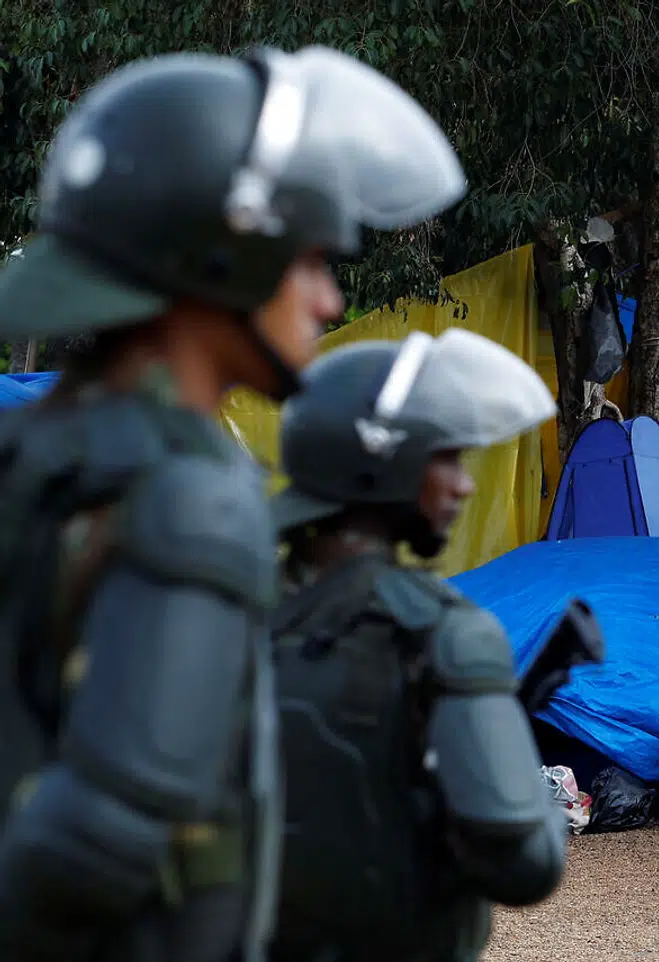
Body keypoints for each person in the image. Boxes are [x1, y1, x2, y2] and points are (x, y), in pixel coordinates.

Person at [0, 45, 464, 962]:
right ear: (224, 250)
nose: (331, 301)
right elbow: (103, 838)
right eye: (313, 260)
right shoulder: (193, 491)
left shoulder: (38, 450)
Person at [266, 330, 567, 962]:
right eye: (447, 459)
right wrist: (526, 784)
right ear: (385, 460)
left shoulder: (223, 610)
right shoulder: (445, 633)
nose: (463, 486)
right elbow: (526, 866)